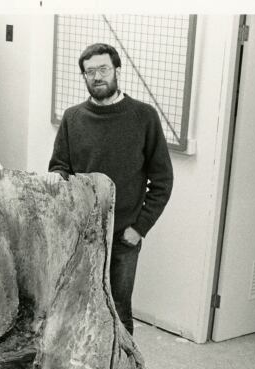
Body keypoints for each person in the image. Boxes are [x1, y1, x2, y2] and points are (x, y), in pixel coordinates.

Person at [46, 43, 173, 335]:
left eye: (103, 69)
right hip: (82, 234)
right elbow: (59, 165)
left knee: (118, 310)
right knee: (78, 306)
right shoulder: (73, 117)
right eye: (89, 71)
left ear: (117, 69)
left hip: (123, 236)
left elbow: (163, 180)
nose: (97, 76)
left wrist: (139, 228)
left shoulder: (144, 117)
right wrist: (56, 176)